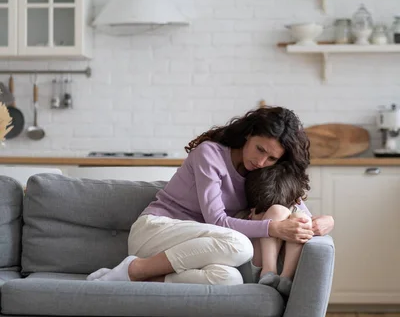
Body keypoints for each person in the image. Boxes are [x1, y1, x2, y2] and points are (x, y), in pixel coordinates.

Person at [87, 106, 334, 285]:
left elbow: (294, 209)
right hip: (158, 231)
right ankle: (134, 269)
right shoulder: (210, 155)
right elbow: (217, 221)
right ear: (249, 134)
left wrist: (324, 222)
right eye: (260, 149)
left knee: (229, 279)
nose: (261, 161)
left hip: (202, 247)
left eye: (271, 158)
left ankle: (142, 279)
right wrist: (274, 229)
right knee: (239, 245)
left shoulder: (263, 170)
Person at [237, 161, 313, 296]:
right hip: (255, 270)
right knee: (278, 211)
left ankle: (285, 278)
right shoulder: (242, 217)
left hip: (283, 268)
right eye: (263, 212)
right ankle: (269, 271)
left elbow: (308, 222)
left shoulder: (294, 211)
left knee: (300, 218)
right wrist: (262, 222)